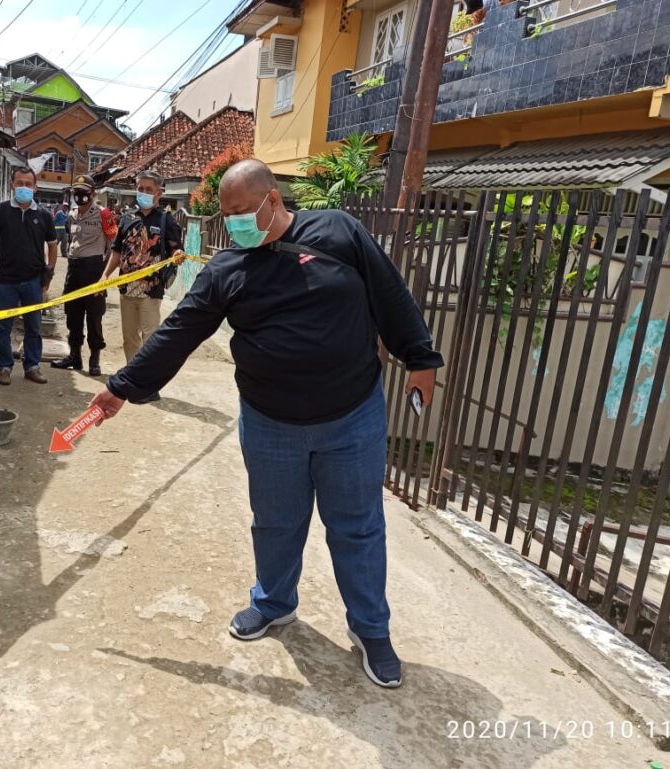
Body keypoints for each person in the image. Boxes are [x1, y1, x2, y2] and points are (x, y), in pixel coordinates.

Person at [90, 159, 443, 688]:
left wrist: (421, 359)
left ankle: (371, 629)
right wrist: (122, 387)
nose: (233, 223)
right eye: (226, 215)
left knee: (357, 526)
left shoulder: (338, 231)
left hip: (352, 415)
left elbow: (389, 293)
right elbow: (179, 332)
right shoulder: (227, 270)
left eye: (240, 211)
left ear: (273, 200)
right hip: (271, 422)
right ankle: (275, 602)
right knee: (275, 521)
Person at [100, 169, 183, 403]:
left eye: (149, 189)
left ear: (159, 193)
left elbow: (177, 249)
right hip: (127, 289)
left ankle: (149, 385)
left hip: (151, 290)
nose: (143, 193)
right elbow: (117, 251)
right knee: (130, 338)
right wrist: (105, 275)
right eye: (140, 188)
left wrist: (177, 255)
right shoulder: (127, 218)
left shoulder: (166, 221)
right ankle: (133, 381)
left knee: (150, 339)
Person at [0, 167, 58, 386]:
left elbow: (52, 247)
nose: (24, 187)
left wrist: (48, 276)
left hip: (34, 281)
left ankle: (32, 366)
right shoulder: (1, 211)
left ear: (35, 187)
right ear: (12, 186)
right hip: (6, 280)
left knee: (34, 326)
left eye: (28, 184)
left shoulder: (43, 215)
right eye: (20, 183)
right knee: (3, 327)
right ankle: (4, 367)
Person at [51, 175, 117, 376]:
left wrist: (104, 274)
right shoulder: (71, 215)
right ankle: (74, 356)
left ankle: (94, 360)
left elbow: (113, 244)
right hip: (74, 269)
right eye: (76, 192)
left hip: (94, 269)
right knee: (73, 313)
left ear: (93, 193)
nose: (79, 196)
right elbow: (72, 240)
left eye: (84, 192)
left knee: (94, 316)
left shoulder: (104, 214)